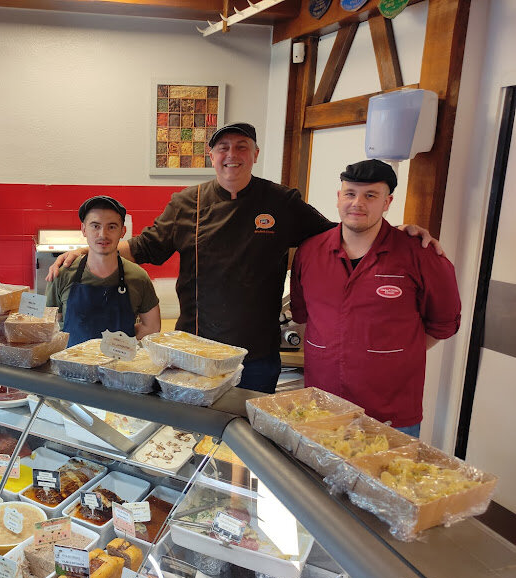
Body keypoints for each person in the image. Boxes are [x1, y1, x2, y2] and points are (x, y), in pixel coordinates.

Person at [48, 123, 441, 393]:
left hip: (257, 355)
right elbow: (144, 246)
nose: (231, 155)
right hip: (193, 351)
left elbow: (337, 235)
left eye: (241, 147)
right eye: (223, 148)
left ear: (255, 154)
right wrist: (92, 248)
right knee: (193, 441)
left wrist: (398, 231)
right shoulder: (188, 203)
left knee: (248, 446)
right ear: (211, 155)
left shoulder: (281, 201)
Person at [290, 159, 461, 437]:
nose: (357, 203)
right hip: (322, 406)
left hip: (390, 413)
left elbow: (443, 325)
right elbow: (303, 316)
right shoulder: (310, 252)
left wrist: (390, 355)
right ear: (339, 197)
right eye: (350, 193)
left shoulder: (421, 255)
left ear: (387, 202)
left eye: (370, 195)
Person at [46, 195, 161, 346]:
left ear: (122, 231)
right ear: (84, 229)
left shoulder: (138, 277)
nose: (103, 234)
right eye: (95, 226)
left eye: (111, 227)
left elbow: (152, 327)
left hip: (119, 360)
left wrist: (124, 343)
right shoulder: (62, 274)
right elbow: (49, 327)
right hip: (71, 360)